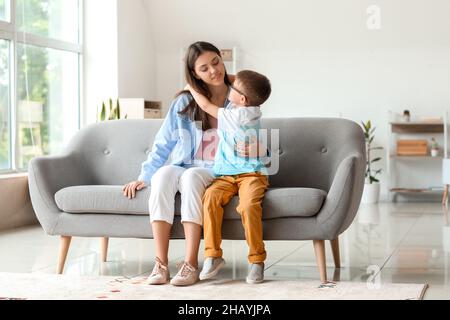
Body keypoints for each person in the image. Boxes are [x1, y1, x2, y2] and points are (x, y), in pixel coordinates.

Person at [122, 41, 234, 286]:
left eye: (216, 62)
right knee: (163, 175)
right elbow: (162, 143)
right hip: (186, 163)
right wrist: (144, 178)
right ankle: (160, 263)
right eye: (204, 68)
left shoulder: (237, 97)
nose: (214, 71)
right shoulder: (184, 102)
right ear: (194, 74)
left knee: (191, 177)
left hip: (218, 169)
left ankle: (190, 263)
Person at [186, 69, 272, 284]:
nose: (229, 86)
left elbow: (205, 106)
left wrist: (191, 86)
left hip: (251, 174)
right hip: (226, 174)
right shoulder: (242, 104)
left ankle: (256, 260)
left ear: (242, 99)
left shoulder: (240, 114)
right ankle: (213, 256)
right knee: (210, 199)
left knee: (248, 206)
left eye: (232, 87)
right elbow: (235, 80)